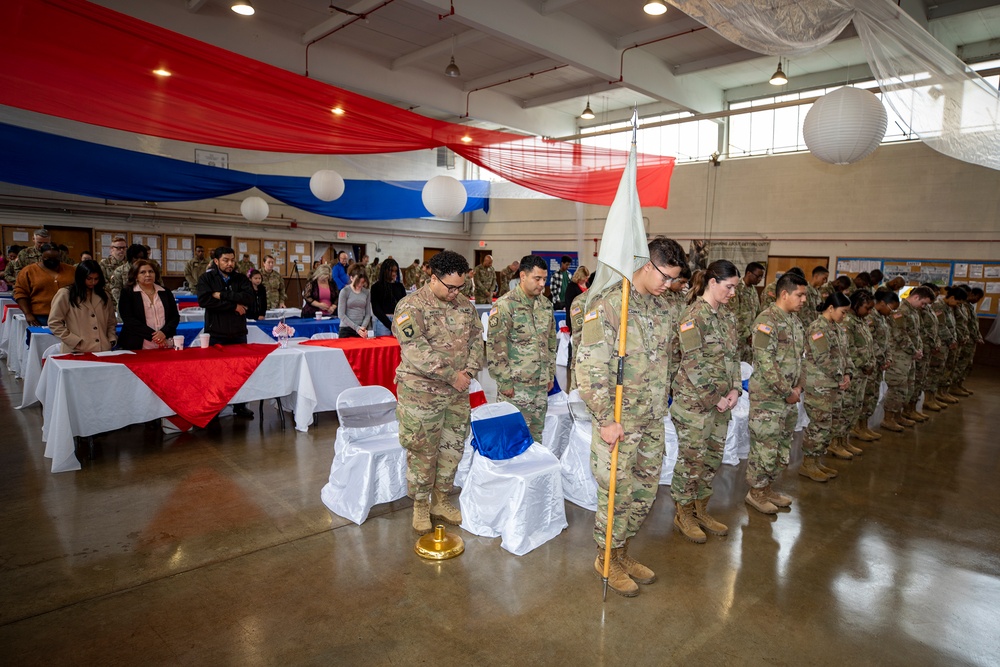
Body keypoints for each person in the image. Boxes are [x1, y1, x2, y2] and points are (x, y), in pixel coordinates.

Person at [577, 236, 686, 597]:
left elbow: (669, 358)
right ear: (645, 264)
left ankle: (622, 550)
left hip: (652, 418)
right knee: (615, 494)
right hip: (619, 423)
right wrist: (606, 419)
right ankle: (605, 557)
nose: (668, 285)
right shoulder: (610, 305)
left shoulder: (663, 307)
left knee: (643, 492)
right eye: (665, 277)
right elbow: (589, 368)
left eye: (673, 280)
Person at [392, 251, 484, 534]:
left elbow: (477, 341)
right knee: (422, 450)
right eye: (450, 287)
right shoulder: (410, 306)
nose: (455, 292)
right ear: (433, 278)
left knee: (452, 449)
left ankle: (440, 501)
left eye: (460, 287)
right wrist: (451, 375)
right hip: (422, 394)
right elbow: (415, 350)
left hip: (456, 393)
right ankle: (420, 505)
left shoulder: (465, 306)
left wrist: (467, 373)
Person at [670, 260, 742, 544]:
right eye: (729, 287)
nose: (733, 293)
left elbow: (735, 356)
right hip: (695, 406)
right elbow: (692, 363)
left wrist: (735, 388)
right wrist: (716, 398)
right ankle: (683, 513)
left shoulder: (727, 317)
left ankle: (700, 509)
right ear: (713, 283)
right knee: (691, 461)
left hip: (722, 404)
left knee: (711, 460)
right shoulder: (692, 317)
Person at [744, 270, 807, 514]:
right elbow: (764, 362)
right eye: (800, 295)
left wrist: (799, 387)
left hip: (788, 397)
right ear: (784, 293)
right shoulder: (766, 321)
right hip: (769, 399)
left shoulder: (794, 321)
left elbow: (801, 359)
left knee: (780, 447)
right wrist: (786, 390)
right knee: (764, 447)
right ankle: (755, 492)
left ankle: (767, 487)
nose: (803, 300)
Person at [487, 255, 557, 443]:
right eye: (537, 279)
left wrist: (550, 374)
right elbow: (495, 347)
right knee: (511, 439)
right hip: (515, 388)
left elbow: (550, 342)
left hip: (540, 386)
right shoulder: (505, 305)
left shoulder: (545, 305)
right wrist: (505, 382)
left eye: (544, 279)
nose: (542, 284)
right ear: (523, 276)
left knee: (535, 438)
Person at [196, 246, 255, 419]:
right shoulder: (206, 278)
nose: (230, 264)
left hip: (237, 331)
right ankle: (215, 407)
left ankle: (240, 405)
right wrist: (233, 305)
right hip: (216, 332)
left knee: (240, 371)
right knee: (216, 373)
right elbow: (204, 300)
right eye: (225, 260)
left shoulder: (240, 278)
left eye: (232, 260)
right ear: (216, 261)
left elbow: (248, 298)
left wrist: (221, 295)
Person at [800, 292, 854, 482]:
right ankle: (808, 463)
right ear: (831, 308)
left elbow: (845, 355)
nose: (844, 316)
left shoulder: (838, 329)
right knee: (819, 425)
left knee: (829, 425)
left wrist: (847, 373)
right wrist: (840, 376)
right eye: (843, 312)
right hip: (820, 385)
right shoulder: (817, 328)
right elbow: (823, 358)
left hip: (834, 384)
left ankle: (816, 461)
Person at [880, 286, 933, 431]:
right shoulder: (901, 311)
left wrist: (918, 349)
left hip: (910, 356)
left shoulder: (913, 311)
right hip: (899, 356)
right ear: (916, 297)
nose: (924, 307)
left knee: (906, 388)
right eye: (923, 303)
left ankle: (898, 415)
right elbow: (900, 335)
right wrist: (913, 351)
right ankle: (888, 418)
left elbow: (916, 334)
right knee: (897, 387)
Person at [47, 259, 118, 353]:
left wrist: (111, 338)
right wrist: (73, 340)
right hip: (76, 350)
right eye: (89, 279)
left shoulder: (104, 295)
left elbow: (111, 322)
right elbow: (54, 322)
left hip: (103, 349)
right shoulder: (66, 294)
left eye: (96, 279)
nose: (93, 282)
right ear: (80, 277)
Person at [842, 290, 878, 453]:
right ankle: (837, 443)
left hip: (862, 372)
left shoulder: (861, 321)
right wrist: (863, 363)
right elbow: (848, 348)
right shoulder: (847, 322)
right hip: (853, 371)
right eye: (867, 307)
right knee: (846, 408)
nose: (869, 311)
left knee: (856, 407)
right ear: (856, 305)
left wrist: (871, 362)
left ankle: (845, 440)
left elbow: (868, 345)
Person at [117, 260, 181, 350]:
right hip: (137, 343)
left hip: (165, 341)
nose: (148, 275)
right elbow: (129, 319)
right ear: (135, 276)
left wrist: (163, 333)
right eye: (143, 272)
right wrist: (154, 336)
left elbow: (174, 317)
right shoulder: (128, 293)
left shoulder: (165, 292)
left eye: (151, 271)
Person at [860, 290, 898, 435]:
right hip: (870, 362)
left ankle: (865, 426)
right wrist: (881, 356)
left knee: (873, 395)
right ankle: (860, 426)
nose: (892, 311)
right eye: (891, 308)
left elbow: (886, 341)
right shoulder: (871, 318)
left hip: (878, 363)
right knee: (866, 395)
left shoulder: (883, 318)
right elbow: (870, 341)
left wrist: (887, 358)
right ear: (882, 303)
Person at [13, 243, 76, 326]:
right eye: (48, 258)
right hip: (41, 317)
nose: (52, 260)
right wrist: (27, 314)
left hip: (69, 315)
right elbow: (20, 293)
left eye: (56, 258)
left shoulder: (72, 270)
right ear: (41, 256)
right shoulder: (28, 271)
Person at [928, 286, 964, 408]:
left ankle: (937, 395)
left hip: (947, 344)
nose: (957, 305)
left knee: (942, 371)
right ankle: (929, 399)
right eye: (957, 302)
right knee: (934, 372)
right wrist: (950, 340)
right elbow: (941, 326)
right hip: (940, 344)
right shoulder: (939, 306)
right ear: (952, 297)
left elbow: (952, 326)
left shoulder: (949, 307)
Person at [953, 287, 985, 396]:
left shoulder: (969, 307)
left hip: (970, 340)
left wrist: (978, 336)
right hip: (965, 340)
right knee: (960, 364)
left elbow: (974, 324)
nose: (977, 300)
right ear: (972, 294)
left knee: (967, 364)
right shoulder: (962, 306)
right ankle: (953, 386)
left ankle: (959, 384)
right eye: (977, 297)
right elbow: (965, 324)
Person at [732, 261, 764, 364]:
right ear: (749, 273)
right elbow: (735, 314)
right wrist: (747, 334)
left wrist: (756, 332)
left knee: (748, 367)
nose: (759, 280)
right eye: (758, 276)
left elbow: (758, 312)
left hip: (751, 338)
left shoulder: (753, 290)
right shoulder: (736, 289)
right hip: (738, 337)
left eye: (761, 277)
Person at [371, 259, 406, 337]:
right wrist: (389, 324)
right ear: (385, 271)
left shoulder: (400, 287)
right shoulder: (376, 287)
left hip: (398, 320)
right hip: (382, 322)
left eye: (395, 271)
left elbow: (404, 305)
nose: (394, 274)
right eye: (391, 271)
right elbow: (376, 309)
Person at [338, 265, 373, 338]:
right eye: (358, 282)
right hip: (346, 329)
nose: (360, 285)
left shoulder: (366, 292)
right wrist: (357, 328)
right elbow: (341, 314)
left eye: (362, 282)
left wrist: (363, 327)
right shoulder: (345, 291)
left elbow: (368, 313)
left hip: (361, 329)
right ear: (351, 278)